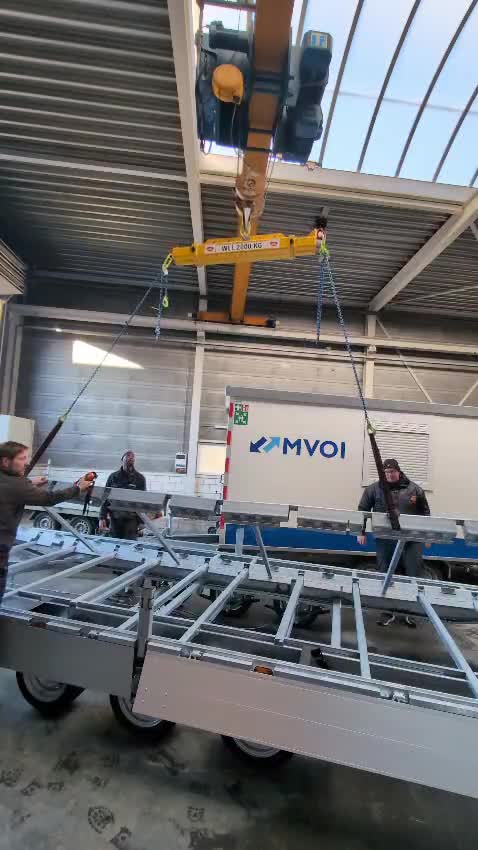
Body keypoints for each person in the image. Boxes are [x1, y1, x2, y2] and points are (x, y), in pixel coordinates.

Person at [0, 441, 93, 605]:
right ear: (6, 461)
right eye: (21, 459)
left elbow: (11, 486)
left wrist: (30, 482)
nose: (26, 463)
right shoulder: (18, 485)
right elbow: (49, 498)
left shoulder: (13, 482)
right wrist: (78, 488)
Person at [358, 458, 430, 628]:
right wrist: (361, 532)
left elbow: (426, 513)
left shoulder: (415, 490)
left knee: (413, 574)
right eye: (386, 472)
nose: (389, 475)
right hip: (385, 540)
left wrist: (427, 537)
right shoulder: (373, 489)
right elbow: (362, 510)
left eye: (392, 472)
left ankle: (410, 613)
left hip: (411, 540)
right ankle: (387, 612)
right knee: (386, 575)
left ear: (398, 471)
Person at [99, 451, 146, 540]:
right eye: (128, 456)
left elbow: (142, 502)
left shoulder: (140, 479)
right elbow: (105, 498)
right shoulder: (113, 477)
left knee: (129, 546)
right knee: (114, 544)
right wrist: (102, 518)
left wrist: (141, 522)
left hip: (131, 521)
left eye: (132, 457)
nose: (130, 458)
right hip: (115, 520)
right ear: (122, 459)